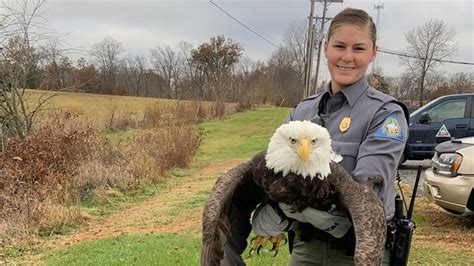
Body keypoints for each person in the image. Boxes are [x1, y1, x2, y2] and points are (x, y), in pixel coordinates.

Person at [251, 7, 409, 265]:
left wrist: (300, 208)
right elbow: (277, 174)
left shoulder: (385, 114)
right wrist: (273, 207)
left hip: (358, 250)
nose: (347, 57)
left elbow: (366, 194)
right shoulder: (303, 110)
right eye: (339, 46)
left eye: (358, 48)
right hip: (305, 248)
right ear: (326, 48)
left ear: (373, 53)